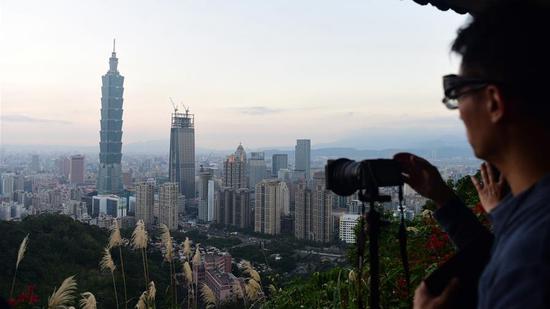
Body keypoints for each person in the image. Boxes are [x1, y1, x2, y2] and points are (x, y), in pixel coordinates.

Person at [393, 1, 550, 308]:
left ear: (493, 102)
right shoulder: (531, 216)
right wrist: (442, 198)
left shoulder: (531, 260)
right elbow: (494, 249)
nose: (459, 114)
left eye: (457, 93)